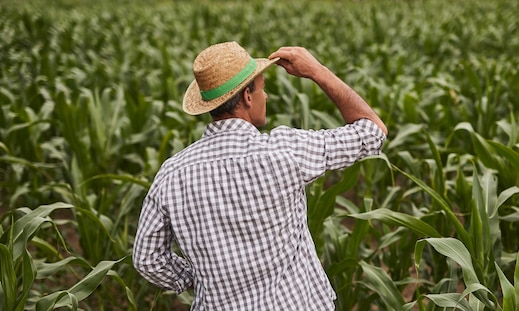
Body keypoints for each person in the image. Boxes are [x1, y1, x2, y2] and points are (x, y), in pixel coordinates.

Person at [133, 41, 387, 310]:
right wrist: (317, 70)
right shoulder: (284, 151)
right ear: (247, 97)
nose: (266, 97)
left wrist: (198, 278)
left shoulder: (172, 173)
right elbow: (372, 132)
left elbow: (147, 259)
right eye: (263, 88)